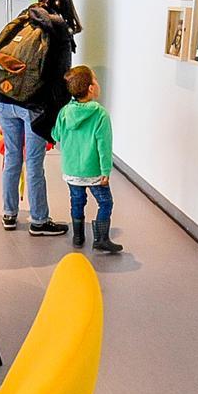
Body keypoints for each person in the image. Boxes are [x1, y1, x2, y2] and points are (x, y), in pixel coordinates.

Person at [0, 0, 82, 236]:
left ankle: (9, 214)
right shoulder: (59, 27)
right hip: (34, 106)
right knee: (34, 163)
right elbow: (62, 76)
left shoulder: (24, 17)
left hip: (5, 99)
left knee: (12, 159)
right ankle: (39, 220)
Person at [52, 65, 122, 254]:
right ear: (91, 88)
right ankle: (101, 239)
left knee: (77, 201)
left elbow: (56, 135)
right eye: (96, 80)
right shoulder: (100, 115)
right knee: (105, 203)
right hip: (93, 172)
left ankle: (78, 237)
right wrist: (106, 171)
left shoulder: (65, 112)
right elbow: (104, 147)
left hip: (71, 170)